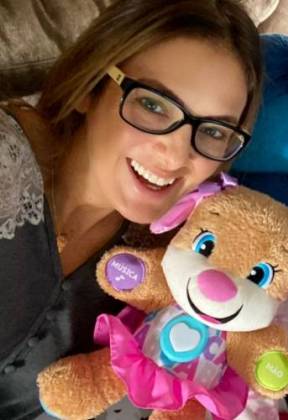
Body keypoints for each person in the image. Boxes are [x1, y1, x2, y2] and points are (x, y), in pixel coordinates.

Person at [0, 1, 262, 418]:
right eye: (153, 104)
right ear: (91, 87)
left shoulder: (170, 268)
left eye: (213, 131)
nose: (176, 155)